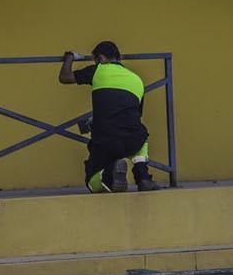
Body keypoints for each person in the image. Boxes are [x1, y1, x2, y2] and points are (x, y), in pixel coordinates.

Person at [58, 41, 160, 193]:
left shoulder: (98, 70)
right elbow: (135, 115)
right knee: (142, 135)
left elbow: (64, 77)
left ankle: (107, 175)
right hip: (132, 139)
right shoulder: (137, 79)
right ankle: (143, 177)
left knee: (92, 182)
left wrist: (69, 57)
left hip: (104, 141)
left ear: (100, 59)